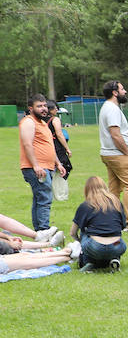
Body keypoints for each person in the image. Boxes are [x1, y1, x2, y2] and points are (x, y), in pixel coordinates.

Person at [97, 80, 128, 231]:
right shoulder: (112, 109)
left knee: (114, 188)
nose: (125, 92)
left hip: (108, 154)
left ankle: (111, 220)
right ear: (115, 92)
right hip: (117, 154)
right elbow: (116, 135)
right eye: (122, 89)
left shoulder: (107, 107)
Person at [18, 94, 66, 234]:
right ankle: (44, 230)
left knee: (40, 198)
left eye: (45, 105)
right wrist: (36, 165)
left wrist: (58, 163)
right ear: (31, 108)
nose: (44, 109)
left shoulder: (43, 123)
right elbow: (27, 144)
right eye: (39, 106)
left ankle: (40, 230)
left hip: (47, 166)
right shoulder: (29, 122)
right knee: (45, 197)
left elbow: (49, 144)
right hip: (37, 167)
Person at [68, 176, 127, 271]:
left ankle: (88, 262)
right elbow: (122, 226)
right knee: (115, 234)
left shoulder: (85, 206)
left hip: (95, 246)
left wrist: (80, 241)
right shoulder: (117, 203)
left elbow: (73, 232)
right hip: (117, 245)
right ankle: (115, 258)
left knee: (84, 231)